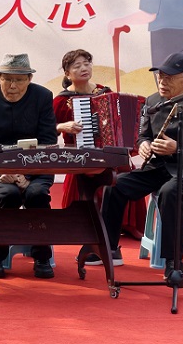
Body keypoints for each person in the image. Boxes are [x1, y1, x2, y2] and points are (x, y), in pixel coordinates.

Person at [99, 53, 183, 275]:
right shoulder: (153, 101)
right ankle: (108, 248)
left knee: (170, 192)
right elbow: (143, 135)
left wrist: (178, 148)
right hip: (158, 167)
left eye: (168, 78)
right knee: (115, 185)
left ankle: (173, 263)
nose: (162, 82)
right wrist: (144, 144)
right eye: (160, 76)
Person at [0, 53, 58, 280]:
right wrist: (4, 172)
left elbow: (49, 141)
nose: (13, 86)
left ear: (29, 79)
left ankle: (42, 256)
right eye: (7, 79)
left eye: (19, 80)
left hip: (37, 170)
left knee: (37, 195)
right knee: (8, 196)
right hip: (1, 173)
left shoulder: (42, 97)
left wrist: (26, 174)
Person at [52, 49, 147, 243]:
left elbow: (118, 120)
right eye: (77, 66)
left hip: (107, 152)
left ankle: (126, 224)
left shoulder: (105, 92)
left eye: (87, 64)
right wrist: (62, 126)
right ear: (67, 73)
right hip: (79, 154)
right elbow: (46, 130)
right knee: (84, 171)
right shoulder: (61, 101)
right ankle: (84, 222)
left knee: (125, 167)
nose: (84, 68)